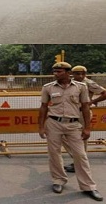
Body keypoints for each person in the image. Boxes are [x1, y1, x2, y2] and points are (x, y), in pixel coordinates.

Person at [38, 62, 102, 201]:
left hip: (74, 125)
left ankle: (88, 186)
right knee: (54, 153)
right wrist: (41, 127)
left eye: (59, 71)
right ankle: (59, 180)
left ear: (68, 73)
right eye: (54, 71)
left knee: (80, 155)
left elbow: (85, 107)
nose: (55, 74)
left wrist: (87, 127)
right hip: (54, 123)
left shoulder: (81, 87)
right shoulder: (48, 88)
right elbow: (43, 107)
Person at [63, 65, 106, 174]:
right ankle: (78, 160)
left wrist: (91, 102)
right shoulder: (70, 83)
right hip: (71, 114)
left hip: (83, 114)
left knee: (82, 139)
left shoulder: (88, 83)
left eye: (83, 73)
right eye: (77, 73)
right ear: (72, 74)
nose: (80, 76)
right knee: (63, 136)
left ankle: (79, 162)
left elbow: (104, 93)